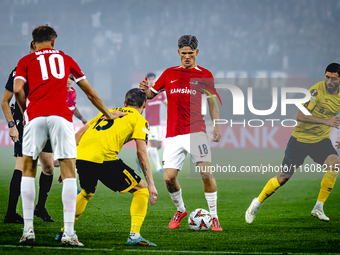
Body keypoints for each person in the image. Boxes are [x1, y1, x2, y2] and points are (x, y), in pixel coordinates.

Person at [13, 25, 123, 246]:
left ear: (34, 43)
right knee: (68, 170)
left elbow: (17, 90)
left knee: (28, 169)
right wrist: (108, 114)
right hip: (62, 117)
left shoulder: (26, 60)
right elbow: (90, 92)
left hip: (35, 116)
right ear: (53, 41)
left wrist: (27, 112)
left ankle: (27, 232)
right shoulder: (66, 59)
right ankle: (69, 234)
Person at [139, 35, 223, 231]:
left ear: (197, 53)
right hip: (174, 135)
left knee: (206, 172)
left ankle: (215, 217)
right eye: (183, 53)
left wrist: (216, 126)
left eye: (190, 54)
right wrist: (145, 90)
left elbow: (213, 104)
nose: (187, 57)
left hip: (197, 132)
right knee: (168, 178)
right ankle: (181, 209)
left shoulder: (205, 75)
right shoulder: (169, 74)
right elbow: (152, 94)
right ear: (178, 53)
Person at [55, 88, 157, 246]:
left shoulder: (107, 111)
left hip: (81, 156)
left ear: (125, 102)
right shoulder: (139, 119)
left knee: (87, 191)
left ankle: (65, 230)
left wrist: (69, 164)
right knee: (141, 190)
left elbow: (79, 134)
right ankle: (134, 235)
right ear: (144, 104)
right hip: (103, 158)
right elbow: (141, 152)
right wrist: (151, 184)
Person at [245, 63, 340, 224]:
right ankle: (257, 202)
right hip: (299, 141)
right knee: (282, 178)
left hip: (320, 141)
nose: (329, 81)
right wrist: (326, 121)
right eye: (327, 77)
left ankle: (318, 207)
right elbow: (300, 115)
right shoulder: (316, 91)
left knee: (334, 164)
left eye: (334, 78)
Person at [1, 41, 55, 224]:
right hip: (23, 124)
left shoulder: (48, 69)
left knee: (48, 167)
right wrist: (11, 125)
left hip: (45, 122)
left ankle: (40, 207)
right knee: (21, 167)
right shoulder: (20, 69)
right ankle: (10, 214)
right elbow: (5, 101)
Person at [53, 74, 87, 168]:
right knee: (70, 146)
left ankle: (52, 162)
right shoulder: (57, 92)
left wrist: (81, 118)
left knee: (68, 148)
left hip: (67, 123)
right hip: (58, 124)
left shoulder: (73, 91)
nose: (68, 80)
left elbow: (73, 107)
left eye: (71, 78)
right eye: (66, 78)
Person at [136, 72, 167, 173]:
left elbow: (167, 104)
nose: (152, 81)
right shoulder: (144, 94)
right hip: (150, 124)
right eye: (150, 79)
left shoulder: (159, 93)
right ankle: (158, 167)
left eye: (153, 79)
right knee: (153, 146)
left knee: (158, 146)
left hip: (158, 124)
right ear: (147, 80)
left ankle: (139, 159)